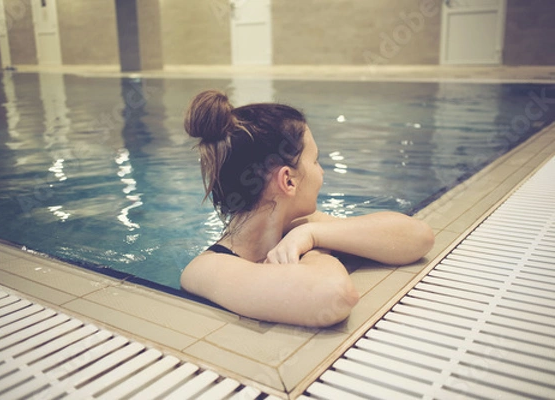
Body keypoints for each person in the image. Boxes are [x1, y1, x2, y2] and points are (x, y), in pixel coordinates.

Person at [181, 90, 434, 327]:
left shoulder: (301, 226)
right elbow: (336, 297)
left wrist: (310, 235)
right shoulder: (207, 269)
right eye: (315, 160)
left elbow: (419, 237)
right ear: (288, 180)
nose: (321, 172)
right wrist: (316, 250)